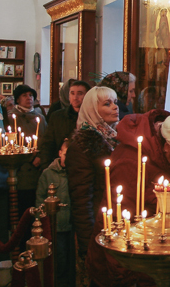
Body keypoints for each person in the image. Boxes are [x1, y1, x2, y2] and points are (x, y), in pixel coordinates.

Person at [87, 111, 170, 286]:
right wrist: (124, 277)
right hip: (132, 265)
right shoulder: (131, 162)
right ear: (168, 147)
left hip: (162, 262)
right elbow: (117, 225)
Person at [65, 86, 119, 260]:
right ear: (92, 110)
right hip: (97, 224)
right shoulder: (83, 145)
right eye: (107, 104)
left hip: (116, 219)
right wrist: (87, 243)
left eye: (115, 102)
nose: (115, 107)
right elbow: (81, 199)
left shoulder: (115, 139)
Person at [36, 141, 75, 287]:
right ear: (60, 153)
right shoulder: (48, 174)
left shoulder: (75, 173)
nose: (67, 159)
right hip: (55, 226)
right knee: (59, 258)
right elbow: (40, 200)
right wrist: (42, 222)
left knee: (70, 258)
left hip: (70, 225)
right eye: (65, 155)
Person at [9, 84, 47, 214]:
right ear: (18, 99)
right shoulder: (11, 117)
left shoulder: (40, 117)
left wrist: (40, 157)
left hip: (38, 168)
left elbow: (46, 140)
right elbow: (11, 142)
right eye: (24, 95)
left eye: (31, 95)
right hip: (21, 168)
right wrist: (30, 158)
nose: (28, 98)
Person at [38, 80, 91, 170]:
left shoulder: (91, 117)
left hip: (84, 165)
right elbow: (48, 143)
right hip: (60, 165)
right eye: (72, 93)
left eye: (80, 93)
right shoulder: (57, 116)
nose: (75, 97)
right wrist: (46, 166)